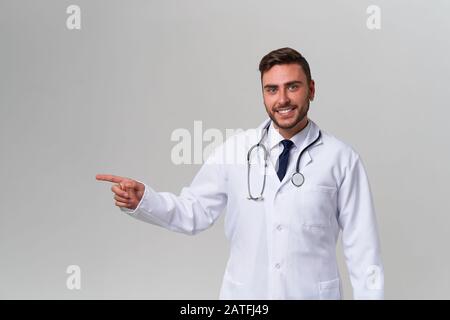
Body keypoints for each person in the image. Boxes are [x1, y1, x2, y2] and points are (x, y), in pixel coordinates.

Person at [96, 47, 384, 300]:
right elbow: (194, 211)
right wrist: (145, 199)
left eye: (292, 87)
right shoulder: (234, 150)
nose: (282, 99)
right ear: (263, 95)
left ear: (311, 89)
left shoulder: (342, 159)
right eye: (272, 89)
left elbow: (363, 248)